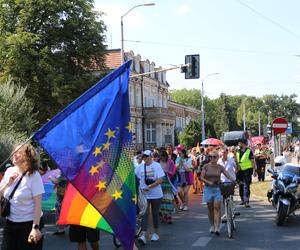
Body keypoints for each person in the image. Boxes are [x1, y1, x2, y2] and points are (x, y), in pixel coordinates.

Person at [0, 143, 45, 250]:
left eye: (18, 153)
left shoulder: (34, 175)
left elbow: (38, 204)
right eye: (14, 152)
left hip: (29, 224)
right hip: (10, 223)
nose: (14, 155)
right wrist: (8, 183)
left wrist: (35, 227)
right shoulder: (9, 171)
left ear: (27, 157)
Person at [200, 150, 235, 235]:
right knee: (210, 208)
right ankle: (212, 225)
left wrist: (234, 180)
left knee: (217, 207)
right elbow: (202, 177)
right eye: (210, 157)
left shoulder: (220, 167)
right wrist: (209, 182)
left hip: (217, 188)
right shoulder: (206, 166)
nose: (212, 158)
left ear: (217, 158)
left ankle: (217, 227)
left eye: (214, 157)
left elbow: (228, 175)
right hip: (208, 189)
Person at [135, 150, 164, 245]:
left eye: (146, 156)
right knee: (145, 213)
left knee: (155, 213)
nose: (144, 158)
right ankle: (143, 235)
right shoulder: (139, 167)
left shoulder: (157, 166)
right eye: (143, 156)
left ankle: (156, 233)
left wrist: (150, 186)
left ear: (151, 156)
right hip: (144, 194)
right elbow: (133, 177)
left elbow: (160, 180)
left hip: (156, 194)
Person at [236, 139, 257, 208]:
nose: (239, 145)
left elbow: (252, 161)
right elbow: (236, 161)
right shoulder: (237, 151)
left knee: (246, 186)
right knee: (241, 185)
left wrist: (255, 170)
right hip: (239, 171)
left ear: (244, 144)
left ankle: (246, 201)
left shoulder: (249, 151)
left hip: (247, 170)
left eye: (240, 143)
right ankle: (242, 199)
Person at [158, 150, 176, 224]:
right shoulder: (156, 162)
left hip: (167, 182)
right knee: (160, 200)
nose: (163, 158)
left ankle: (169, 216)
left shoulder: (170, 162)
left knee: (168, 199)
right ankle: (163, 215)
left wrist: (168, 173)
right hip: (159, 183)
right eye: (161, 157)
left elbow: (174, 170)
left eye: (164, 157)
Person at [49, 169, 67, 235]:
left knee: (60, 211)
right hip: (62, 194)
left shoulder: (65, 172)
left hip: (63, 195)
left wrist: (51, 178)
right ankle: (61, 229)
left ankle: (62, 229)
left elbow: (56, 181)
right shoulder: (66, 171)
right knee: (61, 211)